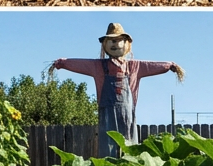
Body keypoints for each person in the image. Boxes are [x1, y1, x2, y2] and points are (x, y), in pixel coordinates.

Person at [49, 23, 184, 157]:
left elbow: (152, 66)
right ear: (105, 44)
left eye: (119, 40)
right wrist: (63, 63)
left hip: (128, 114)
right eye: (111, 40)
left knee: (129, 146)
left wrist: (169, 66)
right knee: (107, 145)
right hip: (106, 114)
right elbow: (81, 64)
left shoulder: (134, 66)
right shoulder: (98, 66)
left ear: (126, 43)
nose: (115, 44)